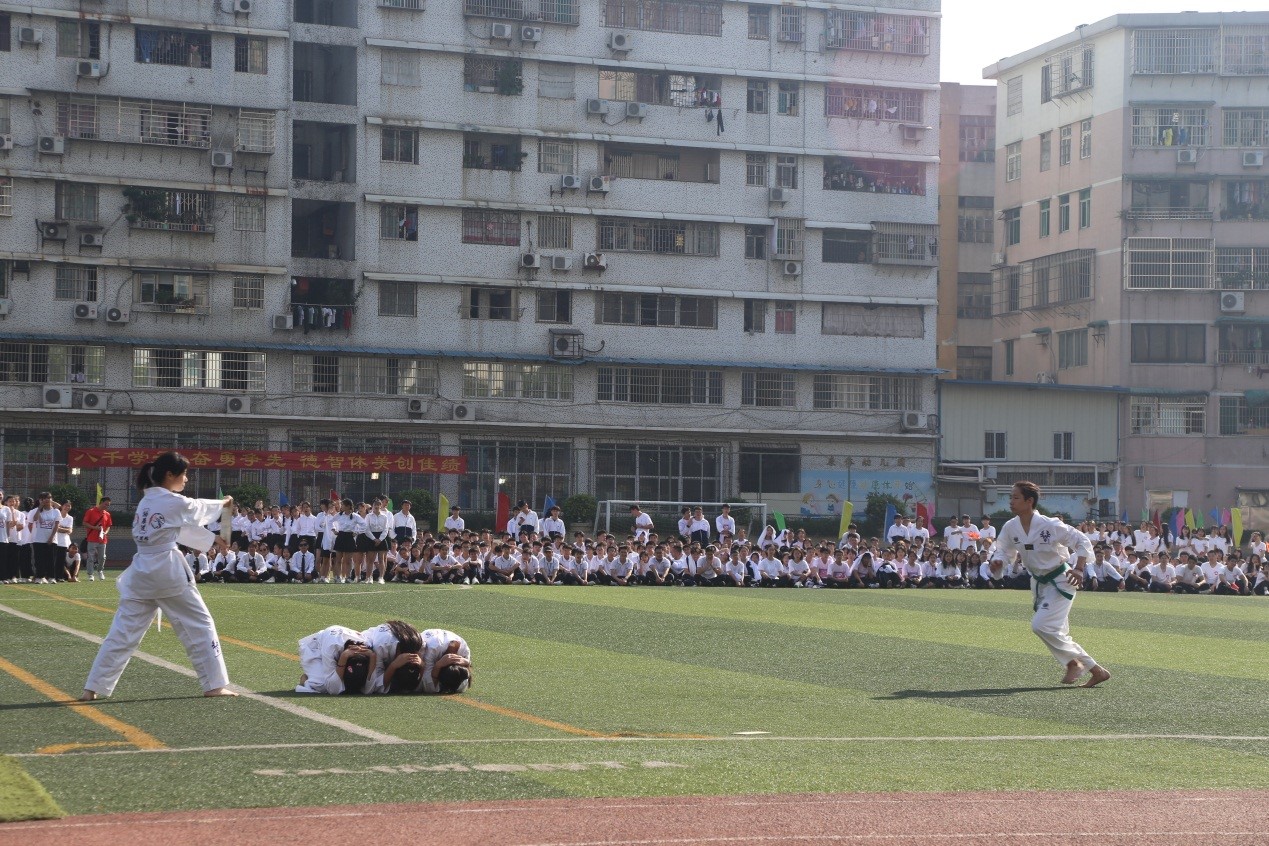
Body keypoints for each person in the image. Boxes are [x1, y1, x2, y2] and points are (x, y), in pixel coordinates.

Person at [81, 452, 237, 700]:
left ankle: (93, 687)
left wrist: (212, 540)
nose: (186, 479)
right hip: (167, 572)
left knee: (122, 632)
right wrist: (224, 504)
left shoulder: (148, 502)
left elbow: (174, 527)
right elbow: (195, 508)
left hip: (141, 575)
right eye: (184, 474)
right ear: (170, 475)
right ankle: (214, 685)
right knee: (200, 625)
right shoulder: (170, 501)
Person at [990, 481, 1110, 688]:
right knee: (1054, 631)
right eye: (1010, 497)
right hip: (1038, 582)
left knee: (1040, 625)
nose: (1011, 501)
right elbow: (1003, 550)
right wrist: (998, 562)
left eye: (1015, 497)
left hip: (1061, 580)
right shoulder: (1011, 527)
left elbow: (1082, 541)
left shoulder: (1050, 525)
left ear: (1029, 501)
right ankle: (1079, 665)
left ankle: (1089, 666)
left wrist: (1080, 568)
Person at [296, 625, 377, 695]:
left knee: (349, 685)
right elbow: (333, 689)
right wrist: (344, 656)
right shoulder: (331, 648)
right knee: (322, 684)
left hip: (336, 644)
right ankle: (308, 678)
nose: (357, 651)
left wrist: (372, 656)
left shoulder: (369, 646)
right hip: (315, 648)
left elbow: (369, 690)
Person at [82, 496, 113, 582]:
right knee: (91, 557)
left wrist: (105, 532)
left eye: (108, 505)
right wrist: (95, 528)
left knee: (102, 557)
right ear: (101, 502)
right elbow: (84, 523)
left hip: (102, 539)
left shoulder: (107, 514)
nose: (106, 506)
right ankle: (90, 574)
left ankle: (100, 571)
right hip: (92, 538)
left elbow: (108, 526)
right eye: (106, 504)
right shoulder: (91, 511)